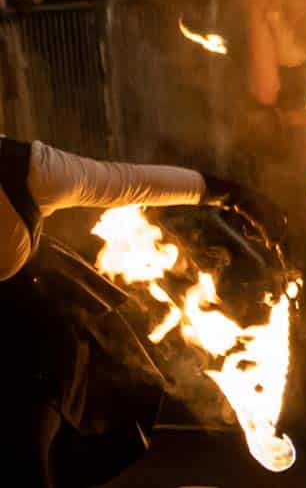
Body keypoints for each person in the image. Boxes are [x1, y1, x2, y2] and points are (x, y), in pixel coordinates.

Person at [0, 135, 269, 486]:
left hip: (30, 347)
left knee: (30, 454)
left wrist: (233, 196)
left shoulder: (27, 171)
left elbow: (130, 182)